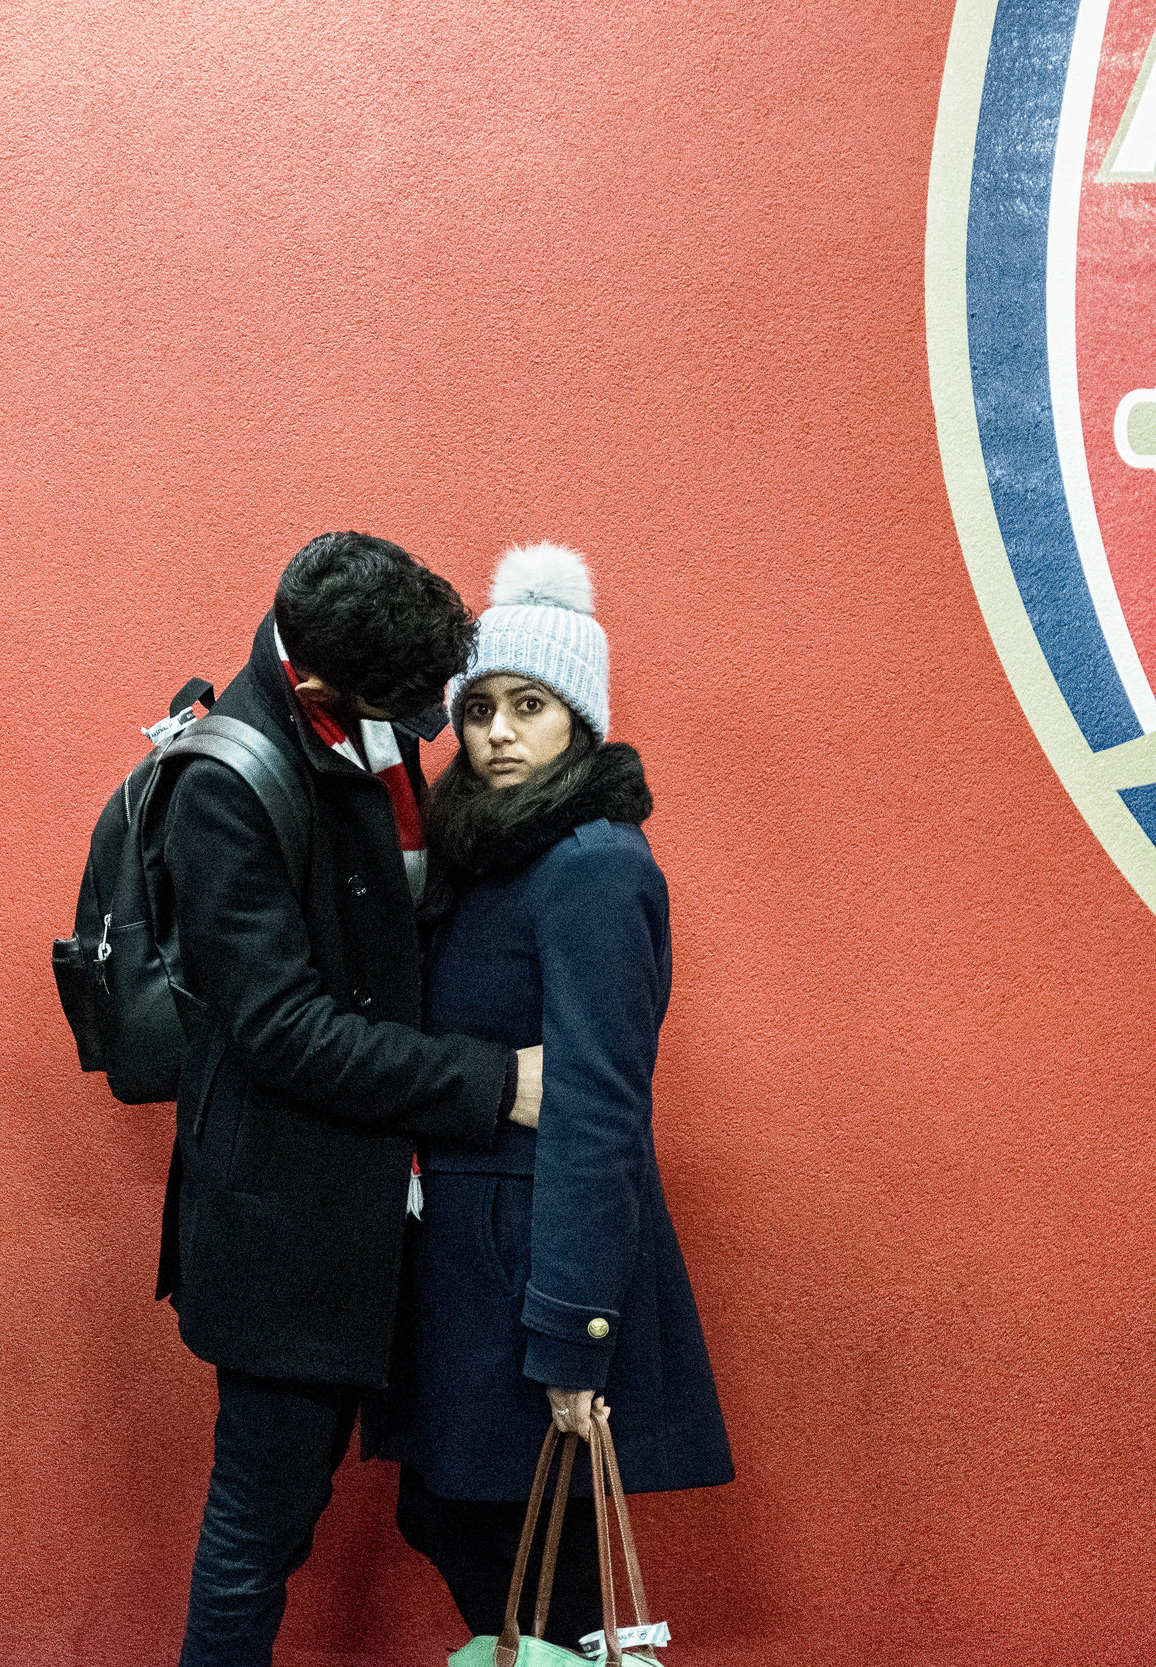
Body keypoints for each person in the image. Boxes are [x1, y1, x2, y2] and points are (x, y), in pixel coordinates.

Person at [158, 531, 546, 1667]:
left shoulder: (365, 721)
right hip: (288, 1223)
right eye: (419, 707)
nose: (439, 726)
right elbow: (281, 1030)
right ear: (318, 681)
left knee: (454, 1496)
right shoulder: (227, 783)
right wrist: (491, 1082)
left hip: (397, 1204)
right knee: (262, 1524)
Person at [373, 542, 733, 1653]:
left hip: (537, 1274)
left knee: (547, 1582)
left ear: (578, 713)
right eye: (478, 706)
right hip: (467, 1264)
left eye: (529, 704)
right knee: (454, 1518)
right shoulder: (485, 854)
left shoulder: (593, 866)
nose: (497, 732)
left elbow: (600, 1116)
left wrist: (575, 1341)